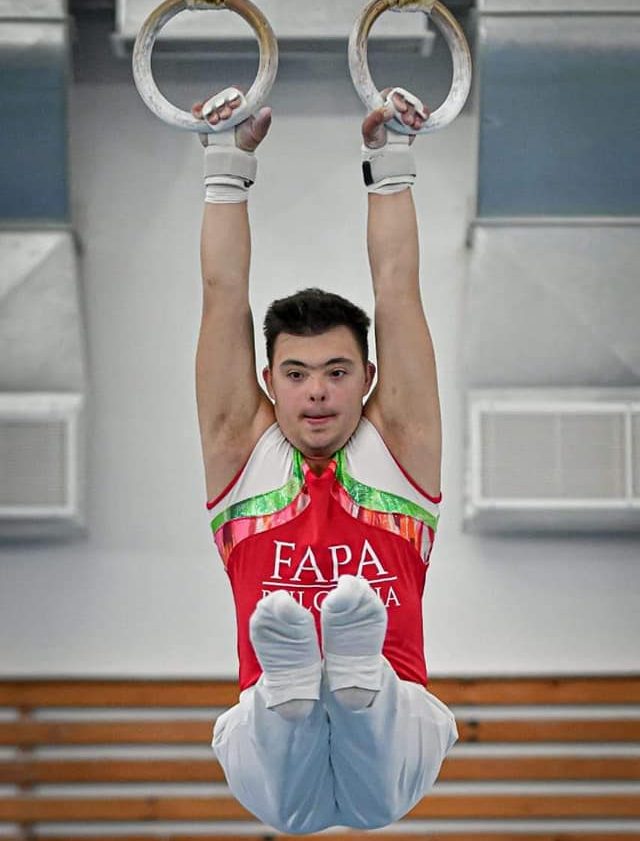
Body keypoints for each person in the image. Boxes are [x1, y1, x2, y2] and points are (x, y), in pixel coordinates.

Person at [192, 86, 458, 834]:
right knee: (283, 759)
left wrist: (389, 158)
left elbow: (398, 291)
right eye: (298, 373)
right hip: (273, 734)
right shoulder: (237, 445)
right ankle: (303, 687)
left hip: (396, 714)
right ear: (268, 379)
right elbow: (221, 297)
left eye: (337, 372)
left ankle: (355, 684)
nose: (316, 392)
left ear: (368, 377)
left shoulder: (399, 444)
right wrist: (225, 165)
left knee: (370, 766)